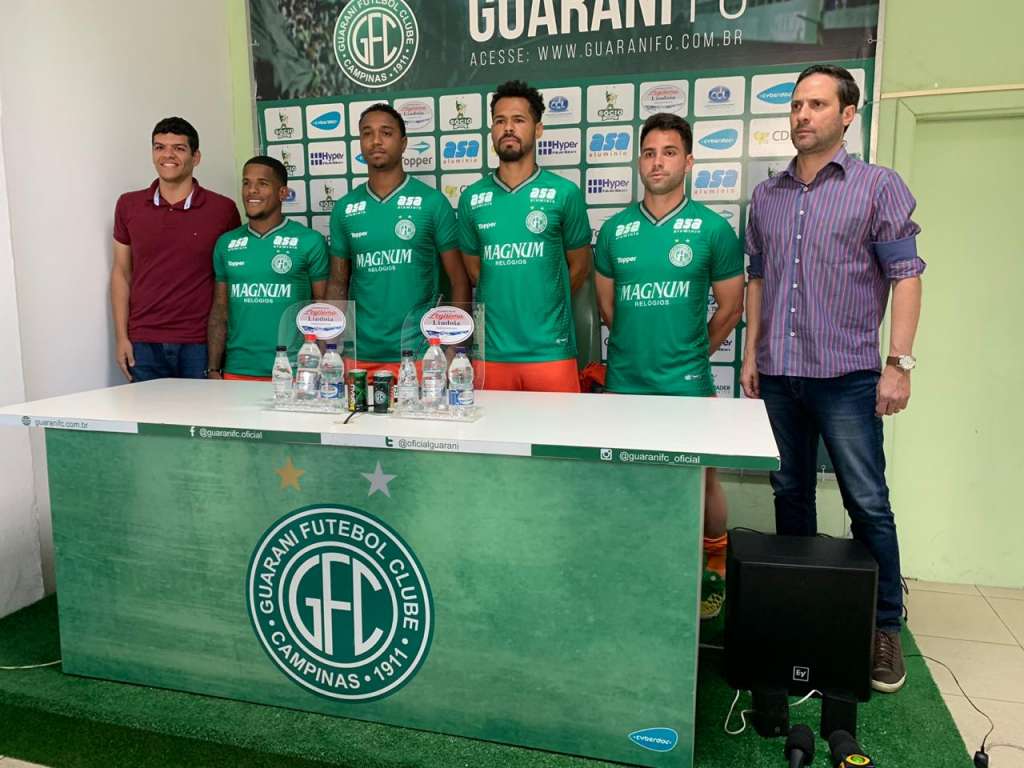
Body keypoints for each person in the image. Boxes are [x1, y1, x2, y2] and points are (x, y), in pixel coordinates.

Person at [741, 64, 924, 693]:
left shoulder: (877, 187)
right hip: (781, 375)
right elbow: (758, 279)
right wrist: (751, 355)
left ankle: (885, 628)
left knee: (866, 500)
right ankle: (802, 606)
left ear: (848, 114)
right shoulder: (766, 197)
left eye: (816, 104)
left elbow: (907, 275)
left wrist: (898, 364)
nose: (801, 115)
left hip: (847, 375)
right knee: (789, 492)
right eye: (795, 105)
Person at [595, 112, 744, 620]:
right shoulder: (615, 231)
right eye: (650, 152)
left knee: (702, 480)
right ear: (640, 160)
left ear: (689, 161)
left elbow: (730, 310)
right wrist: (639, 349)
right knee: (626, 483)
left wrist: (692, 354)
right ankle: (633, 566)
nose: (657, 162)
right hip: (625, 383)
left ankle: (714, 563)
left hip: (686, 384)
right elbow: (609, 310)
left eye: (669, 152)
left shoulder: (711, 230)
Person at [457, 80, 592, 392]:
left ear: (538, 129)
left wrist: (542, 300)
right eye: (500, 121)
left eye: (518, 120)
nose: (508, 128)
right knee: (491, 441)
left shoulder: (564, 193)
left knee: (557, 440)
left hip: (550, 352)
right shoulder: (472, 199)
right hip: (492, 354)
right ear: (491, 130)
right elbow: (477, 272)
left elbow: (580, 266)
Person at [326, 104, 469, 376]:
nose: (376, 140)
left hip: (420, 352)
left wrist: (454, 347)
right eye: (367, 133)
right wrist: (332, 346)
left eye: (386, 133)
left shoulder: (432, 203)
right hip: (359, 355)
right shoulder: (345, 208)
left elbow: (458, 280)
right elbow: (337, 283)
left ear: (403, 143)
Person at [111, 117, 240, 381]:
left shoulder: (222, 209)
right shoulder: (128, 205)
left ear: (196, 157)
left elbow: (230, 279)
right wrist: (121, 338)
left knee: (201, 421)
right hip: (143, 343)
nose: (167, 155)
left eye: (179, 148)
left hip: (200, 344)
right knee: (148, 421)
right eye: (160, 147)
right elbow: (121, 273)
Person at [207, 156, 328, 380]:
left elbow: (323, 310)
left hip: (294, 370)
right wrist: (214, 369)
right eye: (246, 183)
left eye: (262, 183)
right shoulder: (226, 243)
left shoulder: (309, 241)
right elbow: (220, 311)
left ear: (283, 193)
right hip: (237, 370)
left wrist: (321, 368)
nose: (252, 190)